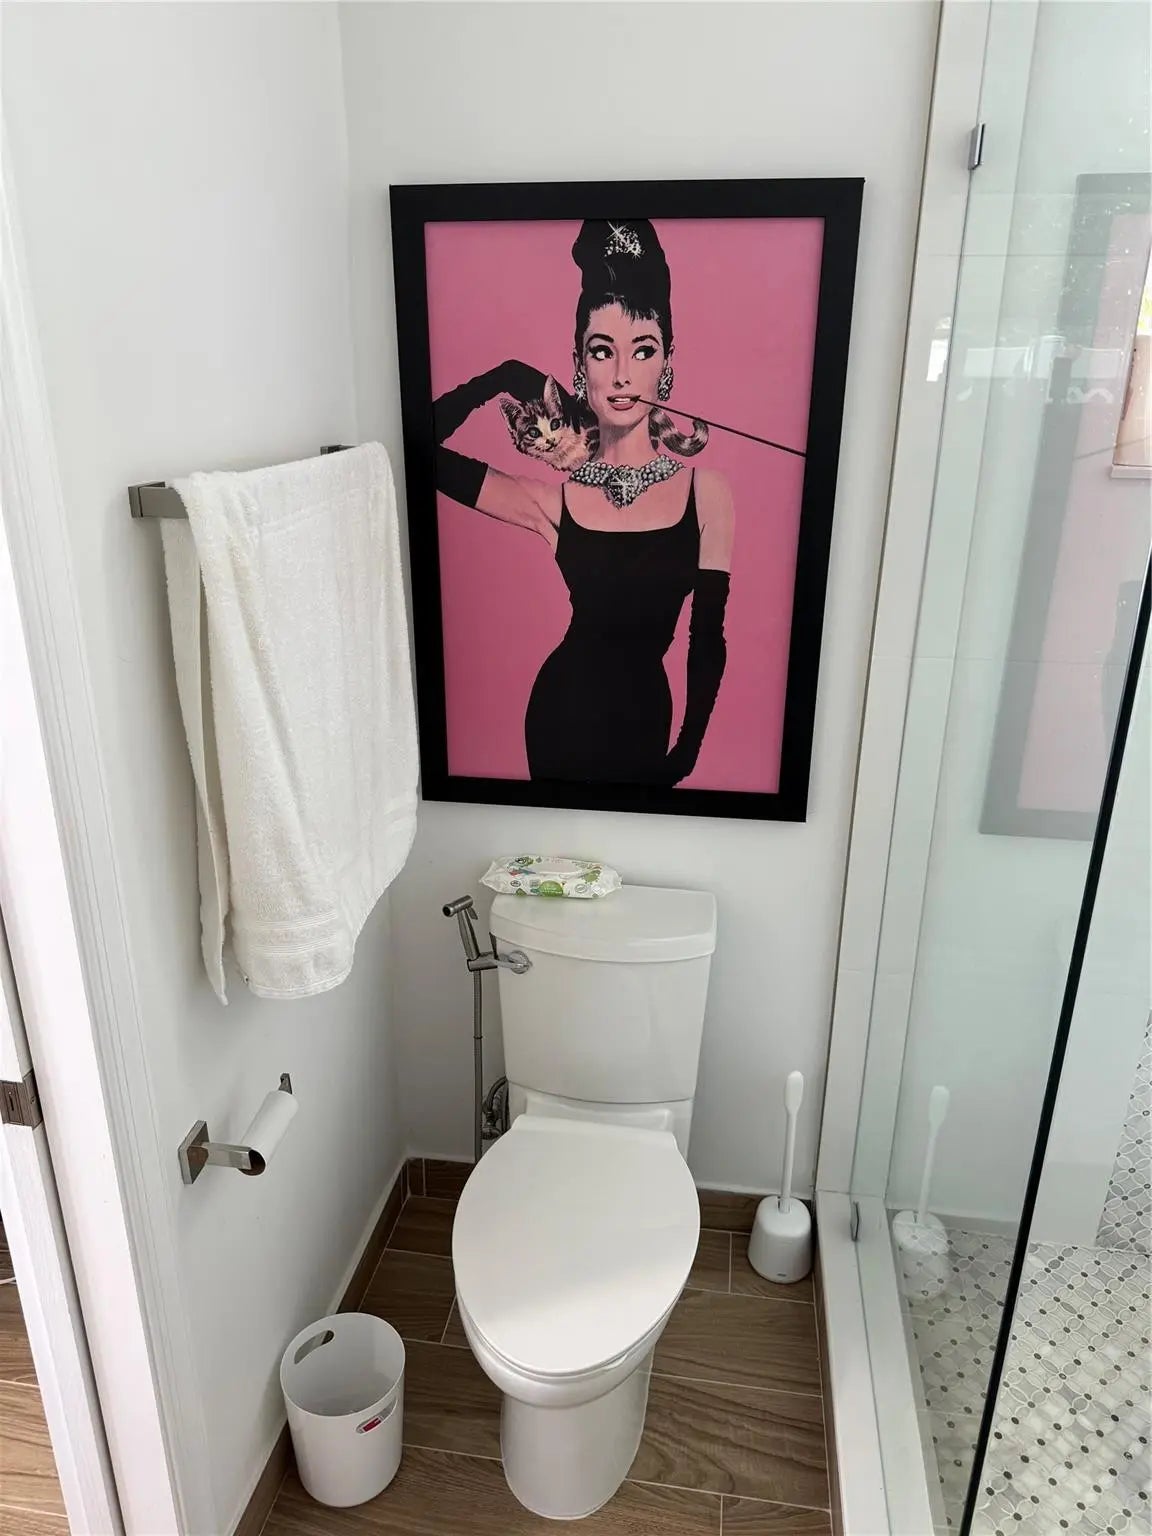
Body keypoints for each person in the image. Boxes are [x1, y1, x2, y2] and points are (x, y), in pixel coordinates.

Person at [434, 218, 734, 786]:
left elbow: (707, 637)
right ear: (580, 367)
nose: (621, 375)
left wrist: (688, 748)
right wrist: (499, 379)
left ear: (666, 364)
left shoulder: (707, 493)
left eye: (642, 351)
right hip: (560, 714)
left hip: (646, 720)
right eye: (602, 351)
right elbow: (418, 449)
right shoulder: (554, 503)